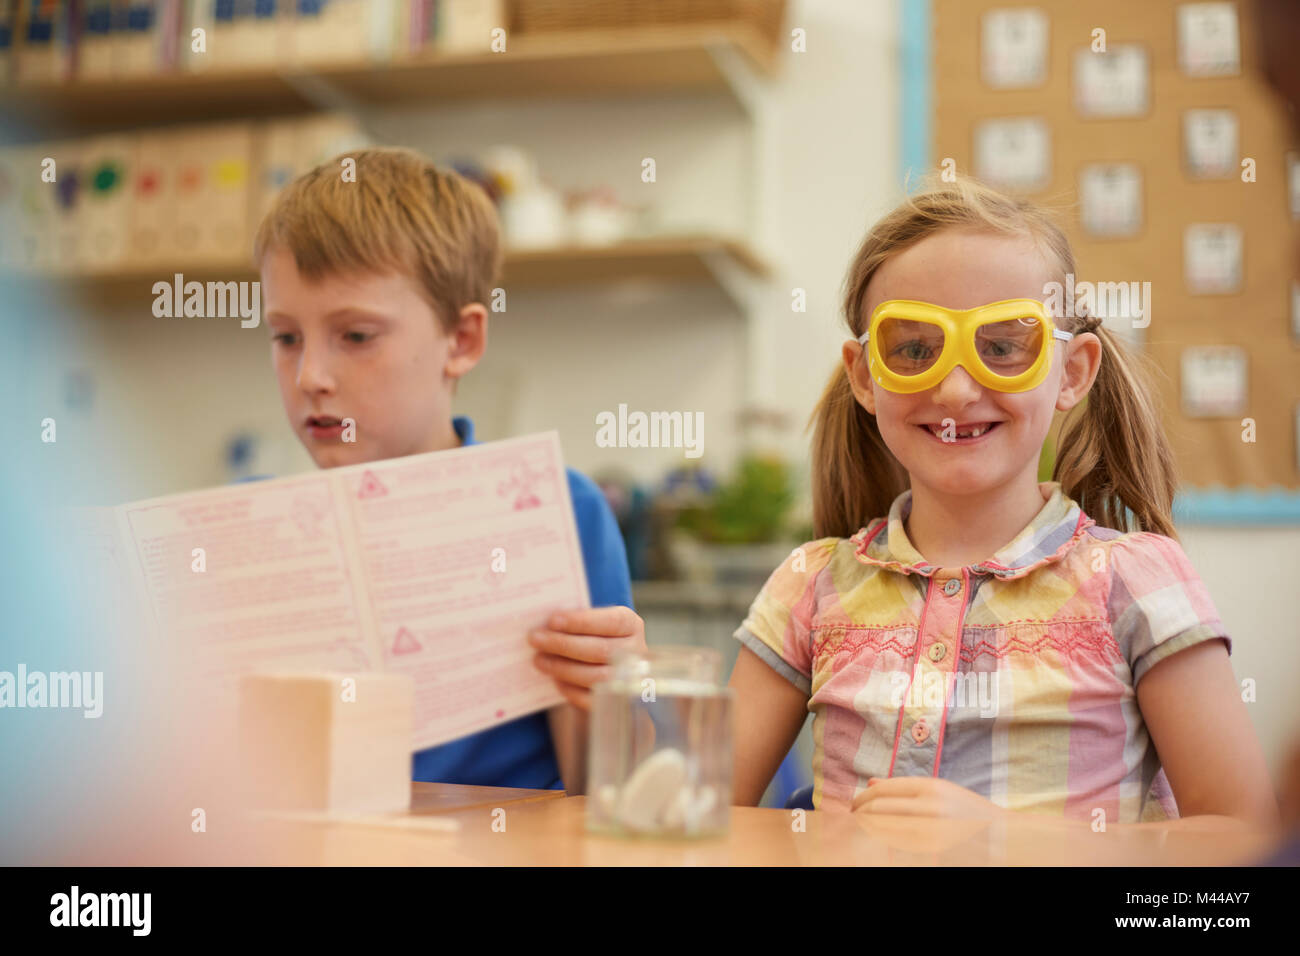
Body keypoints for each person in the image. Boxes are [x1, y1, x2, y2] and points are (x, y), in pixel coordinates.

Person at [727, 177, 1277, 828]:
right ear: (865, 376)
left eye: (1003, 347)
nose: (957, 388)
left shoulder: (1136, 580)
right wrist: (610, 698)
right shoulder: (808, 585)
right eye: (913, 349)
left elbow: (1242, 840)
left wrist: (1006, 840)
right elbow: (695, 812)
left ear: (1072, 372)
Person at [255, 146, 645, 792]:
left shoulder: (553, 510)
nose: (310, 377)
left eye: (355, 336)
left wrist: (615, 689)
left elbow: (611, 792)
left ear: (461, 341)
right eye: (285, 337)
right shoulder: (255, 530)